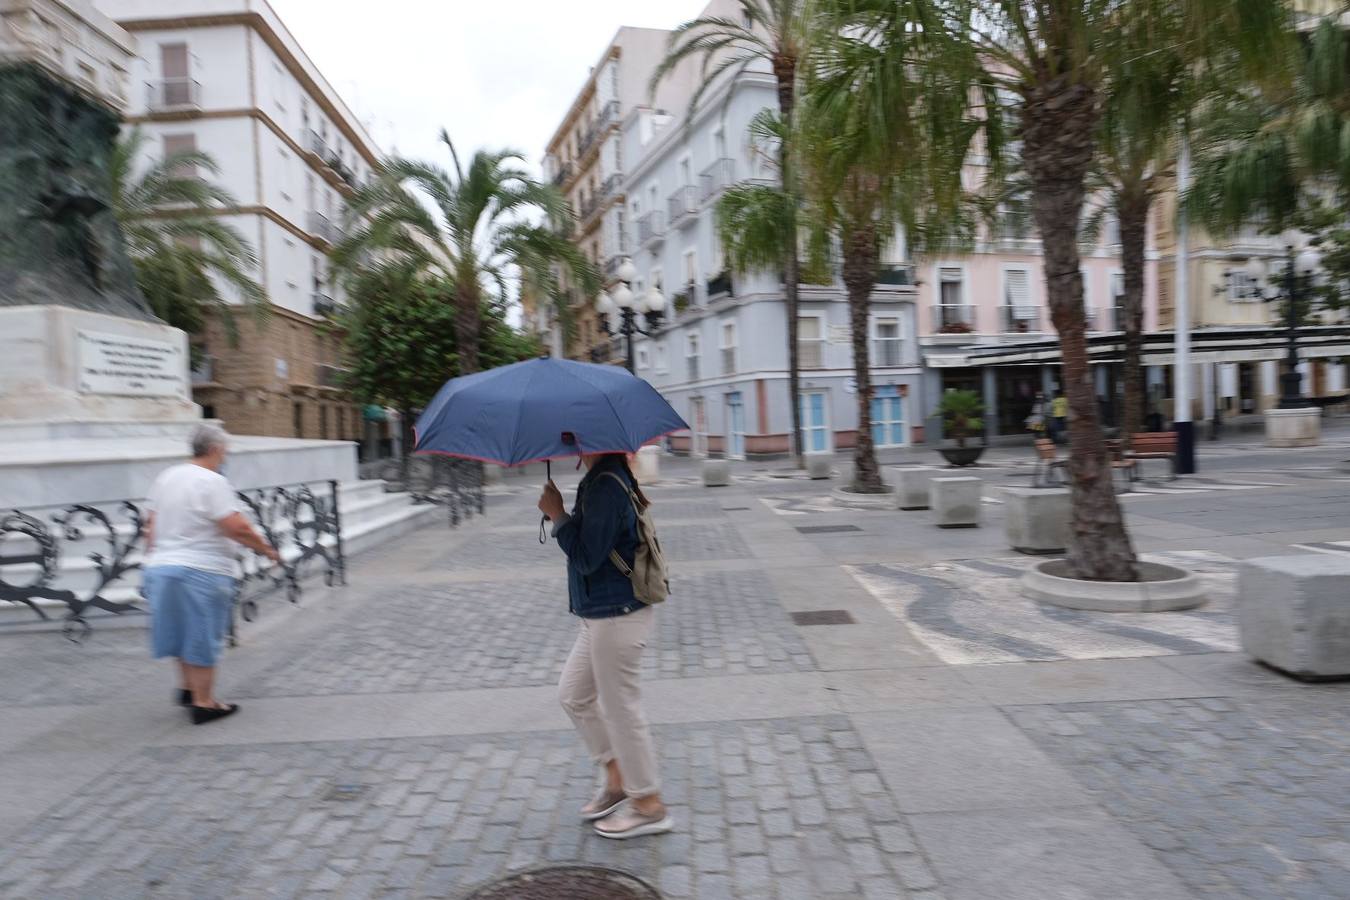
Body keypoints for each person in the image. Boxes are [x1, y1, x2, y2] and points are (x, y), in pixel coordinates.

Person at [538, 452, 672, 840]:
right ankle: (616, 779)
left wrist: (558, 515)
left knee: (622, 711)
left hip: (617, 614)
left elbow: (585, 557)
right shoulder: (601, 479)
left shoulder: (605, 486)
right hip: (599, 613)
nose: (573, 444)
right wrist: (561, 515)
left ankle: (648, 804)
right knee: (574, 695)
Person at [142, 424, 280, 725]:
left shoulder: (167, 477)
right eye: (225, 452)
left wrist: (152, 558)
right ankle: (205, 703)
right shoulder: (212, 481)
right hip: (201, 569)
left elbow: (150, 525)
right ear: (216, 450)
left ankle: (188, 689)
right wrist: (266, 549)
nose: (225, 457)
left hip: (162, 566)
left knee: (179, 632)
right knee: (202, 634)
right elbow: (235, 526)